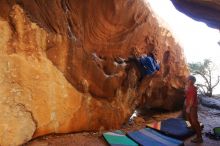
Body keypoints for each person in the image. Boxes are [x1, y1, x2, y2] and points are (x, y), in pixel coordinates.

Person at [185, 75, 203, 143]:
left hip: (192, 107)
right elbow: (188, 96)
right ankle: (195, 132)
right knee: (189, 120)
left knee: (195, 122)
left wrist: (189, 107)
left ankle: (199, 138)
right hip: (189, 106)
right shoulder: (189, 87)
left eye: (188, 79)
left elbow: (192, 99)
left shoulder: (192, 88)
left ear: (191, 81)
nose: (187, 80)